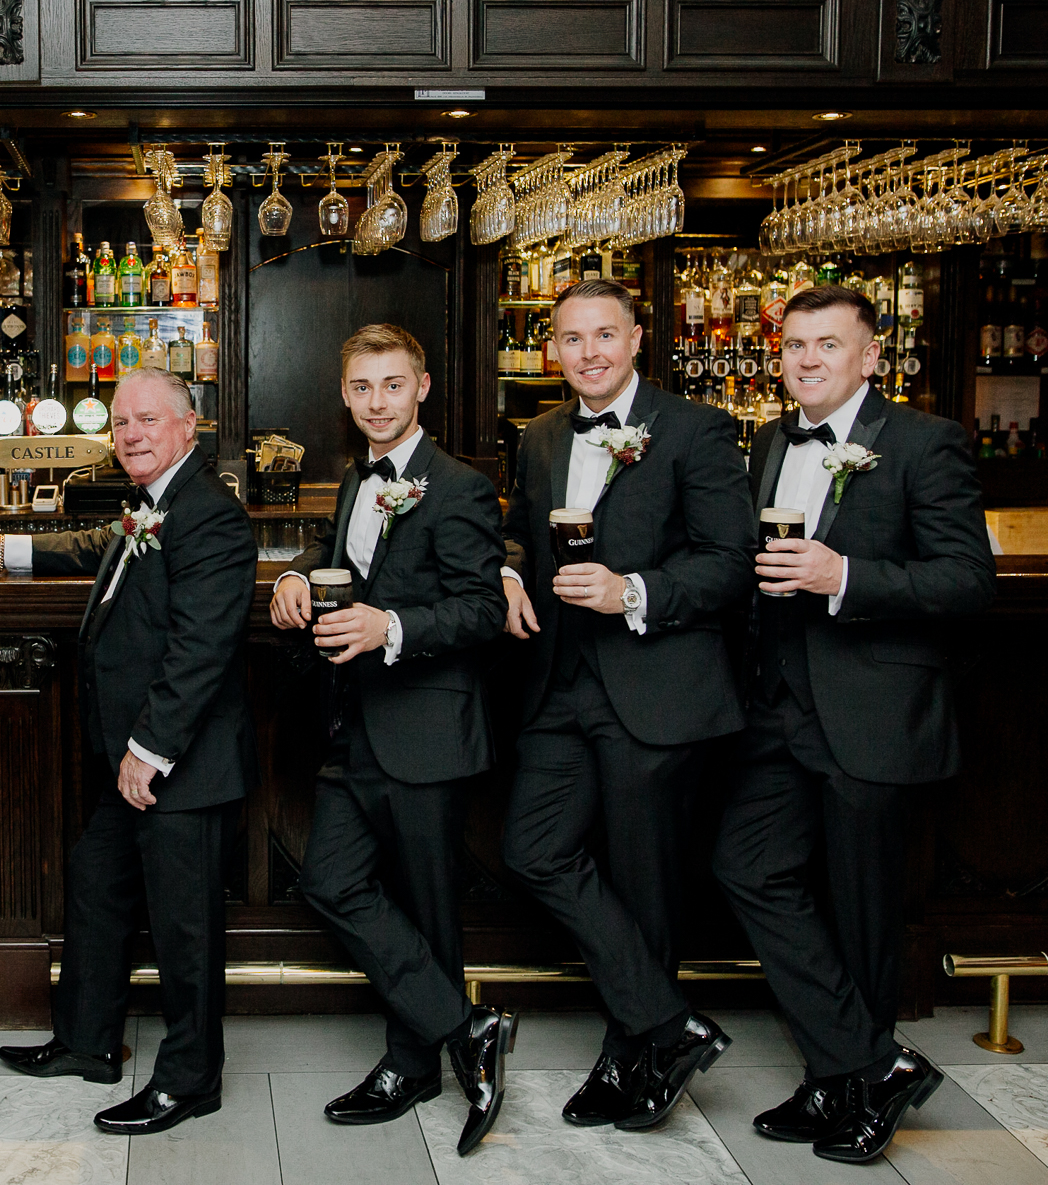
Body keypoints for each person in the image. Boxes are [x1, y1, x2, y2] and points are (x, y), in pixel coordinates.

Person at [712, 285, 995, 1164]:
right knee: (745, 866)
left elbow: (965, 580)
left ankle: (847, 1085)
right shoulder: (768, 437)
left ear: (870, 357)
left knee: (863, 911)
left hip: (871, 708)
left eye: (826, 345)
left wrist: (844, 575)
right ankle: (867, 1064)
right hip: (778, 708)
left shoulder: (924, 442)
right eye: (794, 345)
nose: (805, 360)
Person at [0, 367, 257, 1135]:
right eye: (121, 423)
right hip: (132, 757)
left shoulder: (210, 516)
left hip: (177, 765)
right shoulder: (152, 506)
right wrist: (9, 548)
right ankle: (89, 1043)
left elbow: (201, 650)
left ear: (189, 427)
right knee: (98, 882)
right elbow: (99, 544)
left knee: (185, 926)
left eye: (147, 420)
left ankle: (192, 1079)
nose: (130, 434)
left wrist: (148, 751)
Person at [498, 279, 755, 1130]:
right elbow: (520, 532)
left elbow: (730, 562)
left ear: (637, 337)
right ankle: (668, 1025)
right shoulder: (536, 437)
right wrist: (505, 569)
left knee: (644, 887)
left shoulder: (695, 429)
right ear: (554, 349)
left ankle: (632, 1057)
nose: (588, 354)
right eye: (571, 339)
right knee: (533, 849)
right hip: (562, 684)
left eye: (604, 336)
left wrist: (633, 590)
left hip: (655, 684)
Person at [270, 325, 516, 1155]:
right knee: (332, 882)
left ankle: (414, 1064)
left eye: (393, 385)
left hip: (429, 726)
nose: (378, 402)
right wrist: (301, 573)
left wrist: (393, 626)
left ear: (423, 388)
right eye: (363, 388)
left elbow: (483, 608)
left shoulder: (458, 487)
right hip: (357, 725)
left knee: (428, 910)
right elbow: (341, 553)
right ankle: (466, 1028)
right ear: (345, 397)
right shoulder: (354, 481)